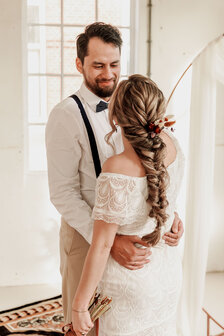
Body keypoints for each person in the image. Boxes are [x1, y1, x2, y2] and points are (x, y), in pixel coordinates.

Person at [45, 22, 183, 333]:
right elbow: (63, 193)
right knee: (83, 327)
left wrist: (169, 213)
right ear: (79, 64)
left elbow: (152, 169)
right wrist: (108, 241)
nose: (108, 73)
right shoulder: (64, 116)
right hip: (86, 238)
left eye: (114, 64)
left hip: (136, 238)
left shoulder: (133, 107)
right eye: (98, 65)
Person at [72, 74, 185, 336]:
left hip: (128, 283)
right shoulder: (173, 144)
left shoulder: (117, 169)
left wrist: (80, 306)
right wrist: (174, 217)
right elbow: (169, 194)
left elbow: (102, 245)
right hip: (167, 276)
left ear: (115, 117)